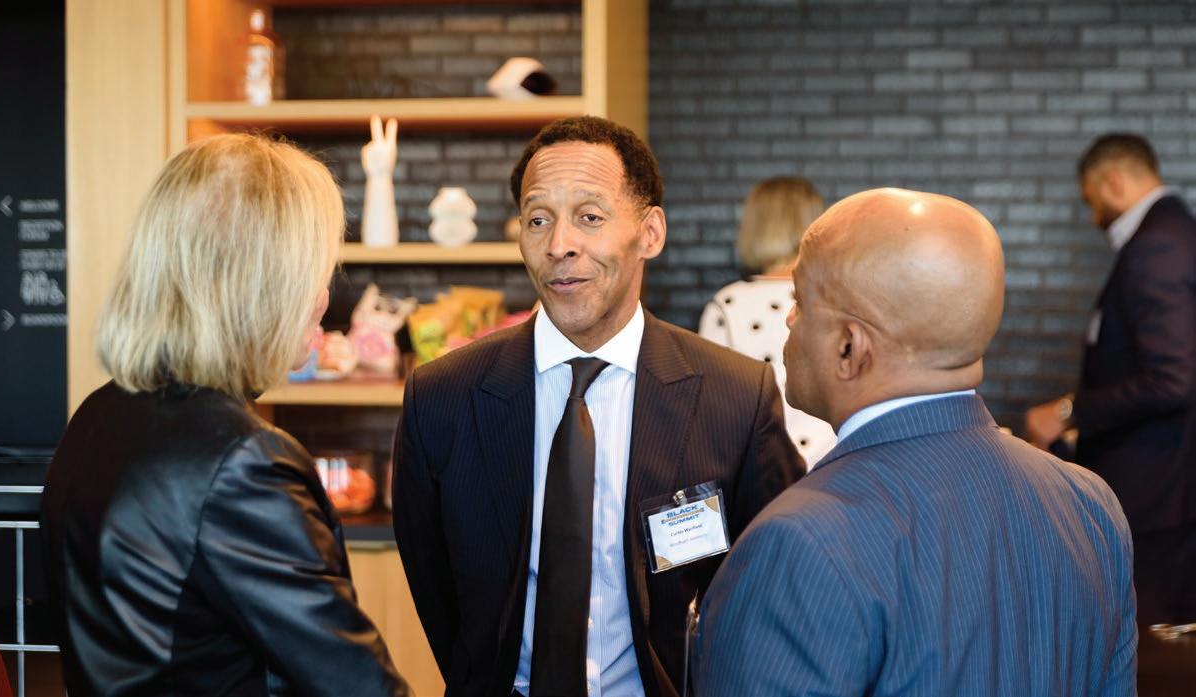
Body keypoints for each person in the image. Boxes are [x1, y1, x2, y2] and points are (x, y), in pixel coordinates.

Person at [392, 116, 804, 697]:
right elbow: (436, 589)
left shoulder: (735, 396)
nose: (559, 245)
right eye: (538, 219)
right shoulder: (443, 398)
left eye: (589, 217)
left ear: (650, 233)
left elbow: (775, 581)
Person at [695, 188, 1136, 696]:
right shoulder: (1089, 503)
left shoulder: (796, 542)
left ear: (849, 346)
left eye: (800, 300)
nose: (789, 319)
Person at [40, 134, 409, 697]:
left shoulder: (99, 413)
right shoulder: (244, 462)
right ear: (260, 283)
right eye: (316, 267)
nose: (323, 295)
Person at [1025, 133, 1196, 625]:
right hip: (1168, 483)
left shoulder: (1157, 245)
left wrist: (1069, 411)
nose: (1094, 215)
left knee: (1146, 639)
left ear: (1114, 181)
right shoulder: (1176, 231)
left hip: (1157, 491)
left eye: (1092, 200)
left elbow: (1173, 378)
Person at [699, 176, 837, 466]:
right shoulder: (839, 295)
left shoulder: (728, 304)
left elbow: (711, 410)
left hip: (762, 471)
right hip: (838, 465)